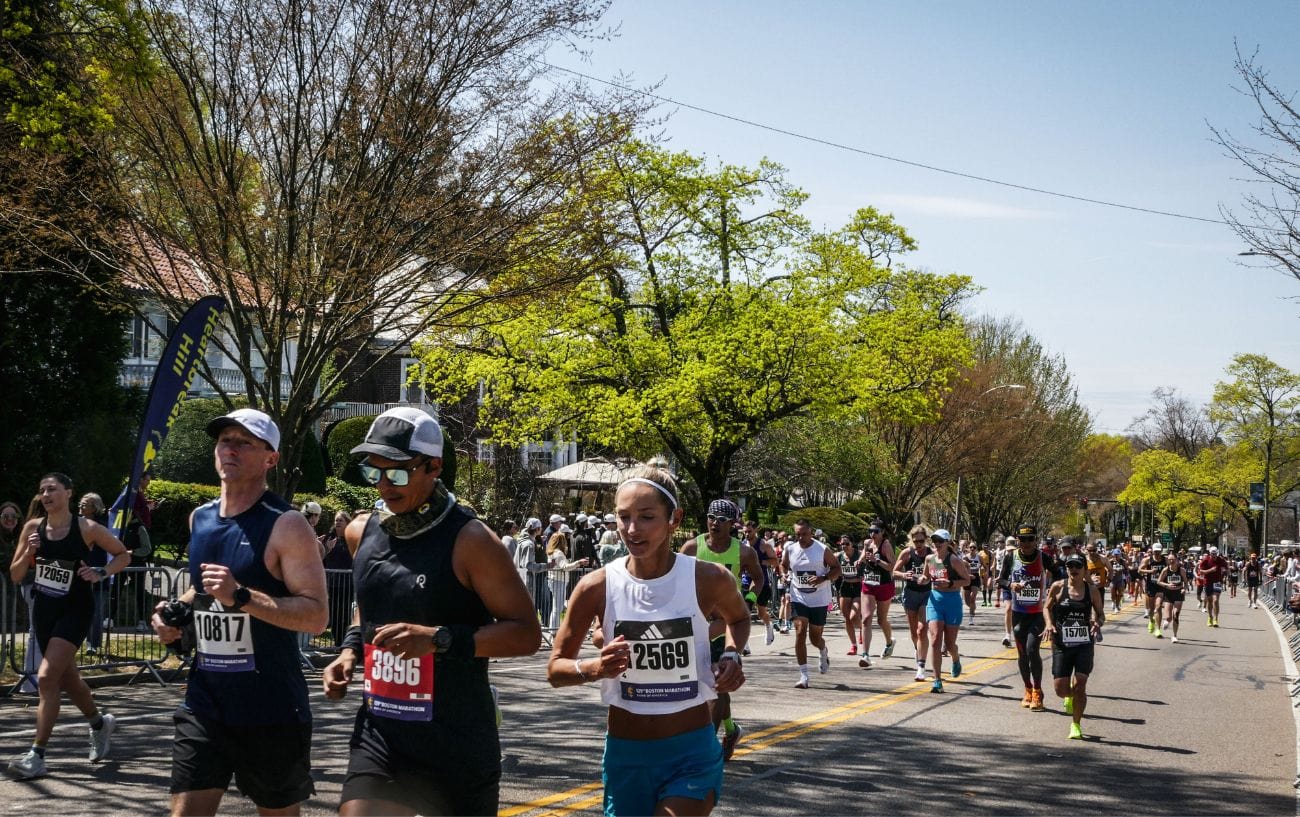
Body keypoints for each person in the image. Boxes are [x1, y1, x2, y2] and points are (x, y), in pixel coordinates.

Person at [320, 407, 541, 816]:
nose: (385, 485)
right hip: (382, 733)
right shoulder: (359, 531)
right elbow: (368, 608)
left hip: (454, 741)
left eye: (398, 473)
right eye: (375, 472)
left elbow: (527, 633)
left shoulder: (470, 540)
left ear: (433, 467)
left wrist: (438, 640)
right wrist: (350, 650)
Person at [151, 408, 328, 815]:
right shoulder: (202, 518)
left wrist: (242, 597)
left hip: (270, 705)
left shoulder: (286, 524)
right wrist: (174, 612)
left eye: (244, 442)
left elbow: (317, 615)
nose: (229, 449)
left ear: (271, 458)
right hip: (206, 700)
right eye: (224, 440)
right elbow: (205, 584)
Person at [546, 467, 748, 817]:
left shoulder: (708, 578)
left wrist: (732, 654)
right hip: (627, 752)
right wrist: (595, 668)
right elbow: (555, 669)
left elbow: (740, 618)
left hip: (692, 751)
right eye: (624, 517)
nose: (632, 529)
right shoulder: (596, 586)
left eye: (647, 517)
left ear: (675, 519)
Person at [6, 473, 130, 780]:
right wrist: (28, 553)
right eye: (42, 490)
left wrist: (101, 571)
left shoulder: (86, 528)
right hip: (44, 609)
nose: (46, 494)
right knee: (68, 678)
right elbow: (15, 573)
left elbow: (123, 554)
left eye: (52, 489)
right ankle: (100, 724)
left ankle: (37, 754)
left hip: (75, 609)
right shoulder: (33, 528)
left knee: (47, 677)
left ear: (68, 493)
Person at [680, 498, 763, 760]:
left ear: (732, 524)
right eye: (711, 517)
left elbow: (759, 578)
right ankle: (730, 729)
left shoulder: (744, 552)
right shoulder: (692, 547)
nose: (714, 523)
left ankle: (707, 747)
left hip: (728, 622)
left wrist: (749, 600)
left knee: (717, 686)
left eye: (721, 520)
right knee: (710, 686)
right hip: (697, 622)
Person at [1043, 552, 1105, 740]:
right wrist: (1049, 624)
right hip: (1062, 643)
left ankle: (1076, 724)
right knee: (1060, 690)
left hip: (1084, 643)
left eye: (1078, 566)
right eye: (1070, 566)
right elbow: (1046, 607)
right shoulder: (1058, 587)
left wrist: (1097, 622)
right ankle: (1070, 696)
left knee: (1080, 684)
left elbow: (1101, 614)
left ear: (1085, 569)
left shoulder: (1091, 590)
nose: (1074, 570)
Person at [998, 524, 1055, 711]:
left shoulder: (1043, 557)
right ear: (1018, 540)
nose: (1027, 543)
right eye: (1023, 539)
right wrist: (1011, 585)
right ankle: (1028, 689)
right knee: (1022, 653)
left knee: (1032, 650)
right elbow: (1002, 580)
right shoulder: (1010, 557)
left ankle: (1038, 691)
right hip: (1018, 612)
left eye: (1030, 539)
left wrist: (1052, 589)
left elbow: (1059, 573)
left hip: (1037, 613)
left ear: (1035, 540)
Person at [782, 519, 840, 689]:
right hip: (799, 596)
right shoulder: (790, 549)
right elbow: (783, 565)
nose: (801, 537)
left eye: (804, 534)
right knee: (800, 631)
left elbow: (837, 569)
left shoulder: (822, 550)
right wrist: (784, 574)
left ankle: (823, 650)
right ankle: (804, 675)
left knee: (815, 639)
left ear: (811, 532)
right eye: (798, 534)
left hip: (819, 599)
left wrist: (824, 578)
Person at [923, 529, 970, 693]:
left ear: (948, 542)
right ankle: (937, 680)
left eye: (940, 541)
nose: (937, 544)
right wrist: (918, 579)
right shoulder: (929, 559)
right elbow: (926, 577)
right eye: (934, 541)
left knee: (949, 645)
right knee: (935, 640)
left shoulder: (954, 560)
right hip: (935, 601)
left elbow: (966, 580)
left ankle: (955, 659)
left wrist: (949, 583)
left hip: (952, 602)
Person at [892, 524, 933, 681]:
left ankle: (921, 666)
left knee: (922, 630)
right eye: (916, 541)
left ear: (926, 540)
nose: (919, 544)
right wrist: (904, 575)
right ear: (911, 540)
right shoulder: (907, 553)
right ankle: (918, 650)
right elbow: (894, 572)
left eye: (922, 541)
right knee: (914, 631)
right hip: (910, 593)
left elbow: (939, 573)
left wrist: (928, 577)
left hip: (927, 594)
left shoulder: (931, 554)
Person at [857, 523, 897, 667]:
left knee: (881, 620)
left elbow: (893, 566)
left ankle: (889, 642)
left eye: (876, 531)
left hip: (884, 585)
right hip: (868, 583)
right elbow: (863, 555)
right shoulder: (868, 543)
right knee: (866, 618)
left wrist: (877, 560)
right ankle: (865, 655)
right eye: (870, 531)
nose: (872, 534)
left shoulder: (885, 545)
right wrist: (859, 561)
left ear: (882, 532)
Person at [546, 525, 589, 629]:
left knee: (558, 607)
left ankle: (554, 630)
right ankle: (554, 632)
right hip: (559, 581)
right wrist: (578, 562)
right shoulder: (558, 553)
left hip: (555, 580)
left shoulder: (552, 552)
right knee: (557, 608)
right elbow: (565, 567)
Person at [835, 535, 863, 656]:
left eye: (847, 544)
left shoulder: (859, 554)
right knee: (847, 618)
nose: (844, 546)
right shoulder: (839, 556)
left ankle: (862, 628)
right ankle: (853, 645)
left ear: (852, 544)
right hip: (845, 586)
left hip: (858, 587)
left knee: (853, 617)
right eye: (842, 544)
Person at [1156, 551, 1192, 643]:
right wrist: (1167, 586)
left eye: (1173, 559)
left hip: (1178, 594)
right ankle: (1167, 621)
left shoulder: (1181, 570)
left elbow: (1186, 582)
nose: (1171, 561)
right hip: (1168, 594)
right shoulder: (1165, 570)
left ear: (1176, 560)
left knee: (1176, 615)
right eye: (1169, 559)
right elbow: (1159, 581)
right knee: (1168, 618)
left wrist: (1184, 589)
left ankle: (1175, 636)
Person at [1139, 545, 1168, 637]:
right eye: (1155, 551)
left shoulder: (1165, 560)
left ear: (1161, 551)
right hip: (1151, 585)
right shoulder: (1147, 560)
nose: (1157, 553)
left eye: (1159, 551)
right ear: (1152, 551)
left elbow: (1173, 568)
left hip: (1161, 585)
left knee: (1158, 607)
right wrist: (1150, 571)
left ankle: (1158, 629)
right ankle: (1151, 620)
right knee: (1151, 608)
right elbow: (1140, 570)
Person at [1197, 545, 1229, 627]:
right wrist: (1210, 570)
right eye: (1212, 554)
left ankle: (1215, 619)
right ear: (1210, 553)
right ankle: (1210, 617)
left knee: (1215, 600)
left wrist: (1224, 570)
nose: (1214, 555)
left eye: (1215, 553)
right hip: (1208, 582)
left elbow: (1226, 567)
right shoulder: (1206, 560)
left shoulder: (1220, 560)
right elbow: (1201, 572)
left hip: (1217, 582)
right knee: (1210, 601)